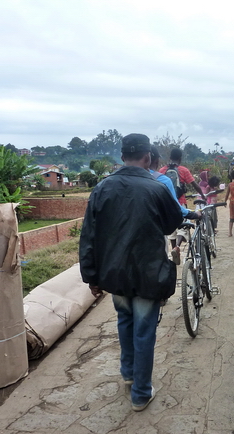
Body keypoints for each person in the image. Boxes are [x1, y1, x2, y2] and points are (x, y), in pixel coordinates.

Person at [79, 133, 183, 411]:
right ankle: (140, 393)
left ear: (122, 157)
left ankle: (128, 374)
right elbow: (171, 222)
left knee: (125, 321)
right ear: (148, 158)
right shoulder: (158, 188)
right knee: (144, 330)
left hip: (114, 274)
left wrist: (91, 275)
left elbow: (88, 234)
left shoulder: (102, 188)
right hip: (148, 273)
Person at [159, 148, 206, 263]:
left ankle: (174, 250)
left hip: (166, 205)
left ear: (170, 157)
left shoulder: (162, 170)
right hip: (180, 203)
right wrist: (202, 196)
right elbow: (195, 184)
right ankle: (178, 247)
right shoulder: (183, 170)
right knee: (184, 225)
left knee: (172, 230)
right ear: (180, 158)